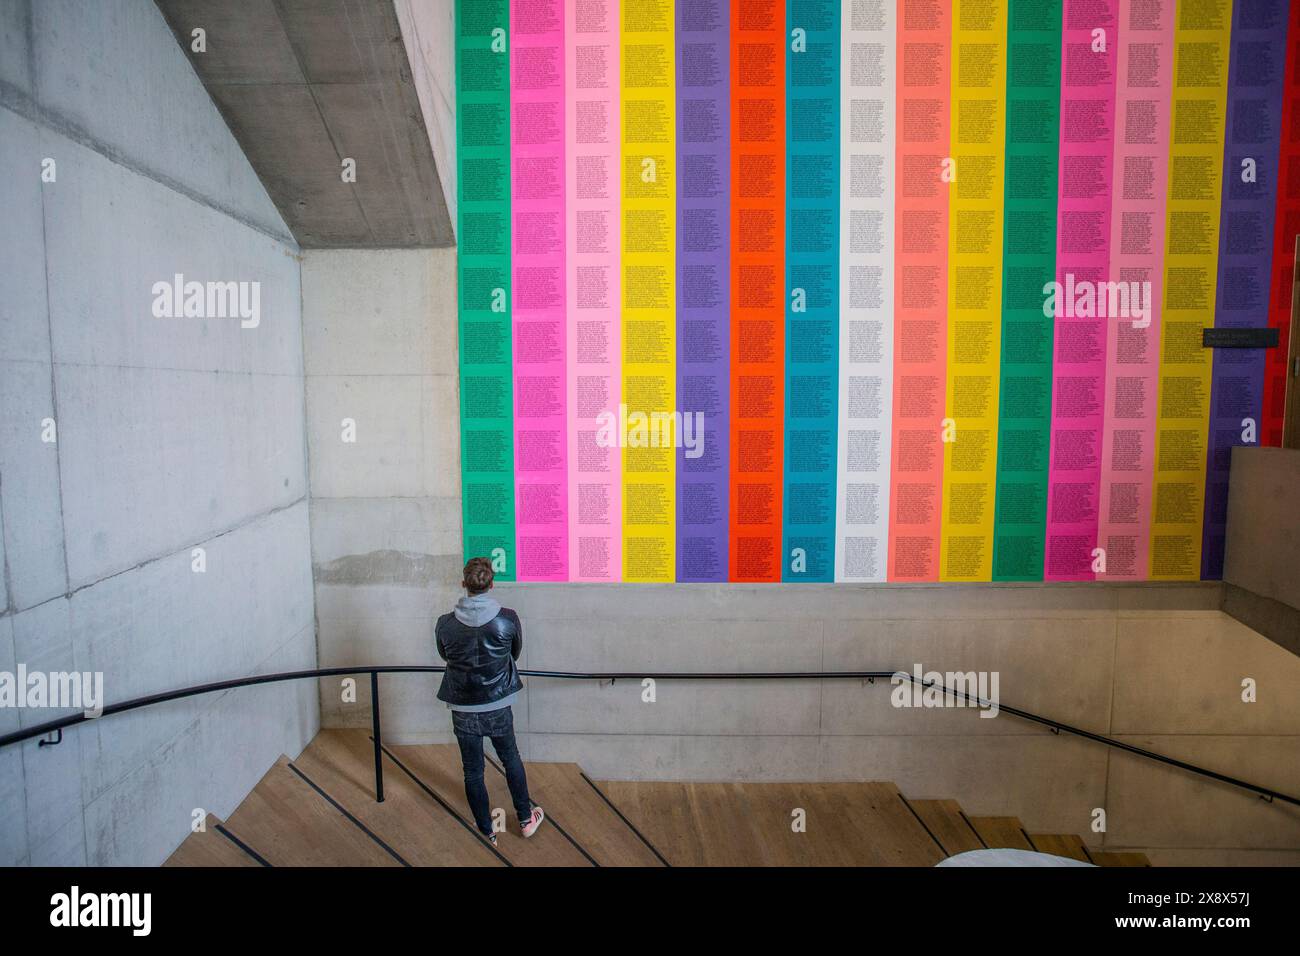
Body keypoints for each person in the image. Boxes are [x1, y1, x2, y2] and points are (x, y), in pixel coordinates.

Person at [435, 557, 545, 846]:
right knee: (511, 759)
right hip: (497, 702)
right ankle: (525, 818)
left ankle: (487, 830)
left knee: (472, 770)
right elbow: (515, 652)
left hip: (462, 706)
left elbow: (446, 657)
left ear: (464, 584)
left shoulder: (445, 624)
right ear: (491, 584)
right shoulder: (507, 618)